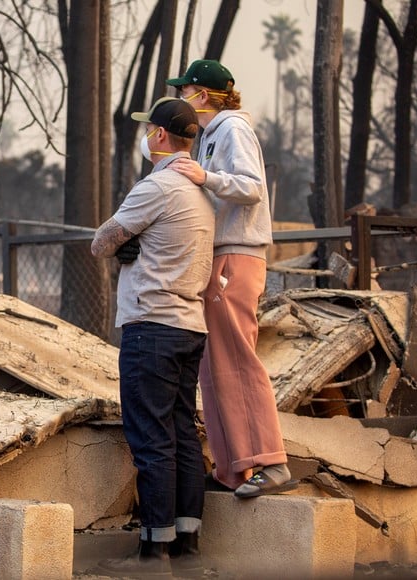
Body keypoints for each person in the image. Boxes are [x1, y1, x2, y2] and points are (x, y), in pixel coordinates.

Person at [90, 96, 213, 578]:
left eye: (149, 130)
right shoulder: (203, 193)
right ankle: (187, 543)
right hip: (189, 327)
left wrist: (125, 245)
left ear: (160, 135)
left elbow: (101, 241)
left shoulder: (158, 186)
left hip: (151, 327)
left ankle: (152, 552)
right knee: (182, 432)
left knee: (151, 438)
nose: (147, 137)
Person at [165, 59, 297, 498]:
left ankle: (270, 462)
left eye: (186, 91)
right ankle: (233, 469)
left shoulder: (232, 129)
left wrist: (206, 177)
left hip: (236, 257)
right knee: (214, 365)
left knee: (237, 359)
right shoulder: (211, 136)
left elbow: (252, 185)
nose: (182, 98)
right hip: (218, 256)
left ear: (203, 95)